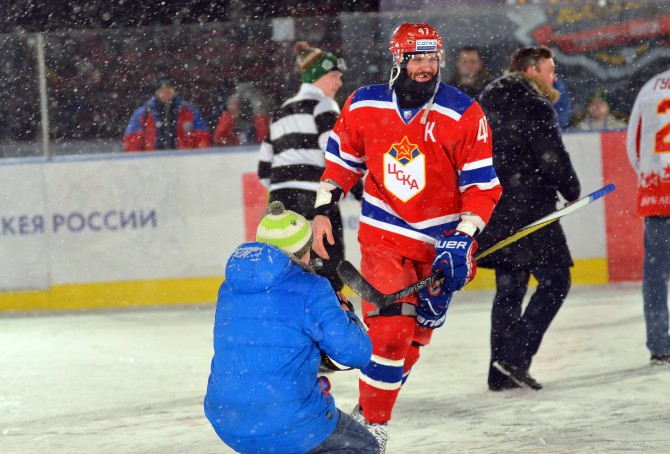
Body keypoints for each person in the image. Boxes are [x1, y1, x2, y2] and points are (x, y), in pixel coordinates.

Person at [311, 23, 502, 451]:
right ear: (398, 61)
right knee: (392, 332)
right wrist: (323, 207)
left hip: (443, 247)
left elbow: (482, 186)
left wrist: (465, 235)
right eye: (416, 58)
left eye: (432, 58)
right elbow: (342, 162)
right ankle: (373, 425)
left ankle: (365, 412)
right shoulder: (364, 104)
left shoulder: (464, 111)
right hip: (385, 235)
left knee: (414, 339)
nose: (425, 67)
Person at [204, 201, 378, 453]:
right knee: (364, 446)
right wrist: (345, 315)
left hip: (226, 419)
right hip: (286, 421)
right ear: (304, 251)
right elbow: (356, 353)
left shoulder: (229, 287)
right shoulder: (311, 288)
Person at [477, 46, 581, 391]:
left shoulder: (484, 103)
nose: (554, 78)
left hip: (492, 206)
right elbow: (551, 156)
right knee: (556, 281)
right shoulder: (535, 104)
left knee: (510, 288)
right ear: (532, 69)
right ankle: (513, 357)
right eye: (550, 70)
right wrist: (571, 187)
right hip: (530, 210)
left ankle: (499, 373)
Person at [258, 41, 362, 297]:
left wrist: (284, 191)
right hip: (314, 199)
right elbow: (337, 155)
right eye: (334, 76)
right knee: (329, 267)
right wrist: (360, 193)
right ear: (319, 77)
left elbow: (263, 170)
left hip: (280, 203)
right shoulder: (324, 106)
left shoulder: (280, 112)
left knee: (284, 269)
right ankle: (331, 318)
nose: (339, 82)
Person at [626, 68, 670, 366]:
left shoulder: (651, 86)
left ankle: (659, 344)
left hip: (658, 193)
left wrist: (651, 177)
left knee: (656, 274)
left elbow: (633, 145)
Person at [123, 75, 210, 152]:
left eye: (168, 90)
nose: (165, 93)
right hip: (152, 163)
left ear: (174, 91)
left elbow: (202, 138)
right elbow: (132, 143)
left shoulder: (189, 111)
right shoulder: (142, 114)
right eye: (161, 90)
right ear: (156, 92)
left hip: (183, 161)